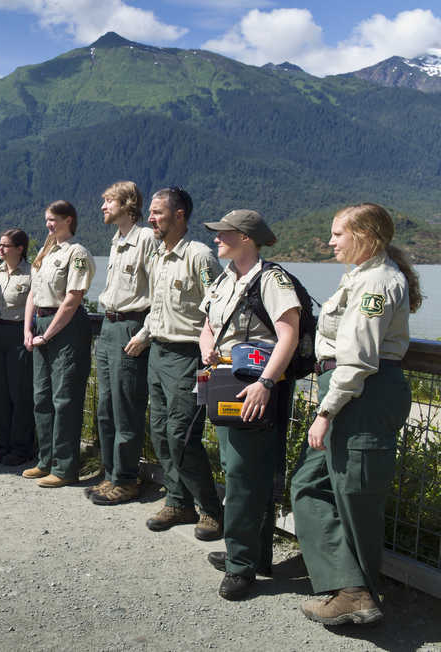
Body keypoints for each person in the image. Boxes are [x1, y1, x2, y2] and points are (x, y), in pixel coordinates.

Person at [291, 203, 420, 625]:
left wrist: (325, 411)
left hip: (362, 393)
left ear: (363, 235)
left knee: (355, 493)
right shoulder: (361, 276)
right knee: (310, 485)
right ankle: (348, 584)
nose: (330, 242)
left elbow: (360, 359)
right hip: (347, 389)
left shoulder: (378, 283)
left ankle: (358, 593)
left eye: (337, 235)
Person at [198, 209, 300, 600]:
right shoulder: (227, 278)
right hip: (226, 385)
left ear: (245, 237)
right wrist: (207, 347)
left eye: (222, 233)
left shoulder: (272, 279)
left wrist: (266, 382)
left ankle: (241, 566)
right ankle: (251, 554)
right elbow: (208, 323)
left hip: (254, 388)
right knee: (236, 468)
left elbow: (288, 334)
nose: (216, 238)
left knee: (243, 474)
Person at [125, 187, 223, 539]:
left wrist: (211, 355)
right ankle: (178, 501)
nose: (150, 218)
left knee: (182, 435)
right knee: (161, 432)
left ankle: (211, 509)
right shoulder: (158, 256)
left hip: (188, 356)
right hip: (159, 353)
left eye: (157, 212)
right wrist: (145, 334)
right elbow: (157, 307)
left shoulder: (199, 257)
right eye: (150, 213)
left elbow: (217, 309)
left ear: (179, 215)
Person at [87, 181, 155, 506]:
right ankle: (111, 474)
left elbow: (160, 293)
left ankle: (127, 479)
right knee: (105, 409)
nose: (103, 207)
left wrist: (145, 334)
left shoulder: (146, 240)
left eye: (108, 200)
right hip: (108, 325)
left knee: (126, 407)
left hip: (131, 326)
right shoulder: (117, 242)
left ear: (127, 203)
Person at [23, 200, 95, 488]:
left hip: (65, 328)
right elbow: (32, 293)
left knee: (64, 398)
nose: (49, 225)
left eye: (53, 219)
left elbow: (72, 299)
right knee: (41, 397)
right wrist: (27, 329)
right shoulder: (45, 251)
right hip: (40, 325)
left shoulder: (77, 253)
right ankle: (46, 460)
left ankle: (65, 467)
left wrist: (48, 333)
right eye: (46, 220)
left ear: (68, 220)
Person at [0, 229, 35, 466]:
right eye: (0, 245)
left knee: (20, 392)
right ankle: (2, 445)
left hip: (18, 333)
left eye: (5, 245)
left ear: (20, 248)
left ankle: (21, 448)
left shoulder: (32, 273)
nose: (0, 249)